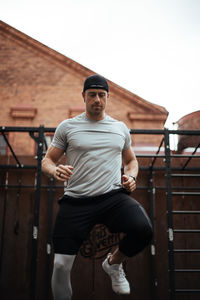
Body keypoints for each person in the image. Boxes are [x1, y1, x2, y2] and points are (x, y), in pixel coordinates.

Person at [42, 74, 153, 300]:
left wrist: (131, 177)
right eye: (92, 95)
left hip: (112, 197)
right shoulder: (68, 127)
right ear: (83, 96)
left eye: (101, 95)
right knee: (61, 266)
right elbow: (47, 161)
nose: (97, 100)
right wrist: (55, 171)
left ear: (107, 97)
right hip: (76, 201)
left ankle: (113, 264)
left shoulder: (120, 128)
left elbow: (131, 161)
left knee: (143, 229)